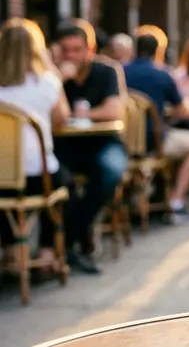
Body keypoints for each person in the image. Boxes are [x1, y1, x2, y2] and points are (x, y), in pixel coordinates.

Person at [54, 23, 127, 274]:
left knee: (109, 172)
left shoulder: (106, 70)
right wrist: (58, 79)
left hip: (104, 142)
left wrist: (75, 113)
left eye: (77, 49)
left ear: (90, 48)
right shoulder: (53, 76)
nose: (71, 56)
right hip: (66, 145)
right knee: (60, 179)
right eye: (66, 50)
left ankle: (69, 240)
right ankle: (75, 244)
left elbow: (113, 111)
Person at [0, 20, 71, 275]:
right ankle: (47, 251)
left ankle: (11, 251)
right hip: (37, 177)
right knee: (63, 181)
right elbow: (62, 121)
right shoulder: (47, 83)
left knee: (6, 191)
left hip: (2, 179)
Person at [124, 34, 189, 218]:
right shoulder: (162, 74)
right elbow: (184, 110)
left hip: (124, 141)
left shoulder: (121, 71)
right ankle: (176, 202)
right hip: (153, 141)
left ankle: (146, 194)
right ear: (158, 51)